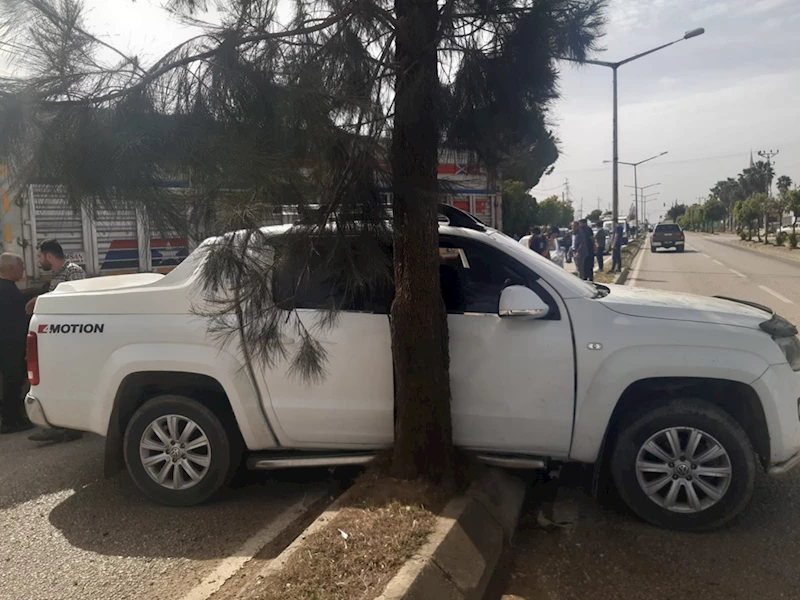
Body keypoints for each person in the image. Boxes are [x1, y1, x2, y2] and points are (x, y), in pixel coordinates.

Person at [27, 239, 86, 443]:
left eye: (40, 256)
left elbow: (79, 302)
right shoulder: (58, 275)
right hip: (58, 336)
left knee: (71, 381)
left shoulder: (73, 271)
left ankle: (73, 427)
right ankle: (61, 424)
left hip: (71, 337)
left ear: (49, 256)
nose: (39, 261)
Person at [0, 253, 34, 434]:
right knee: (12, 381)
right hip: (11, 344)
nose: (23, 270)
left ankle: (12, 417)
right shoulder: (7, 292)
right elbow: (16, 320)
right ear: (11, 268)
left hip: (7, 343)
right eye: (21, 266)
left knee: (10, 381)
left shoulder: (7, 288)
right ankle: (11, 421)